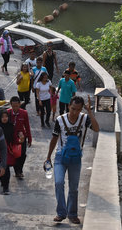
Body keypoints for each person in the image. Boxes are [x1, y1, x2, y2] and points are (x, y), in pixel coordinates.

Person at [46, 95, 99, 224]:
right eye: (73, 108)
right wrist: (48, 157)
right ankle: (61, 213)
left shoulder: (84, 118)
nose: (74, 112)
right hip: (60, 157)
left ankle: (72, 214)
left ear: (81, 109)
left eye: (78, 110)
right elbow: (54, 139)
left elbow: (97, 129)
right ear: (69, 106)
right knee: (59, 183)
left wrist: (90, 113)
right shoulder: (60, 120)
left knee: (74, 188)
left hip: (76, 158)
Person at [0, 109, 18, 194]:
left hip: (8, 150)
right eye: (2, 117)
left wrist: (20, 140)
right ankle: (3, 182)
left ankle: (6, 187)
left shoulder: (11, 126)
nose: (5, 118)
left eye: (6, 116)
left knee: (6, 167)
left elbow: (15, 138)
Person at [9, 96, 32, 179]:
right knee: (16, 154)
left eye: (17, 106)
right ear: (10, 105)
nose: (15, 108)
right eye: (13, 106)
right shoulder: (8, 113)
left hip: (22, 137)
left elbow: (27, 126)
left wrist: (29, 138)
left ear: (19, 104)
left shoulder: (24, 113)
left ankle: (19, 169)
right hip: (12, 138)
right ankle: (18, 172)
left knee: (23, 154)